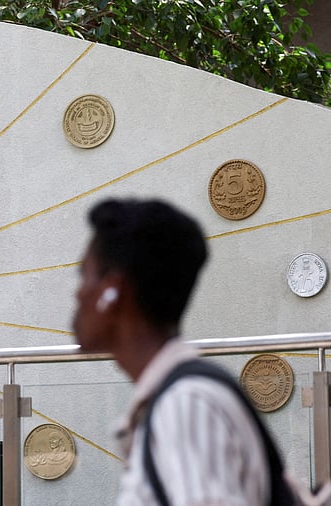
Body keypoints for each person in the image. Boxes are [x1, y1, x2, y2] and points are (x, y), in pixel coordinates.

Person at [72, 198, 272, 505]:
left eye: (84, 274)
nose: (78, 292)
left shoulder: (185, 404)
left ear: (113, 292)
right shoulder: (178, 398)